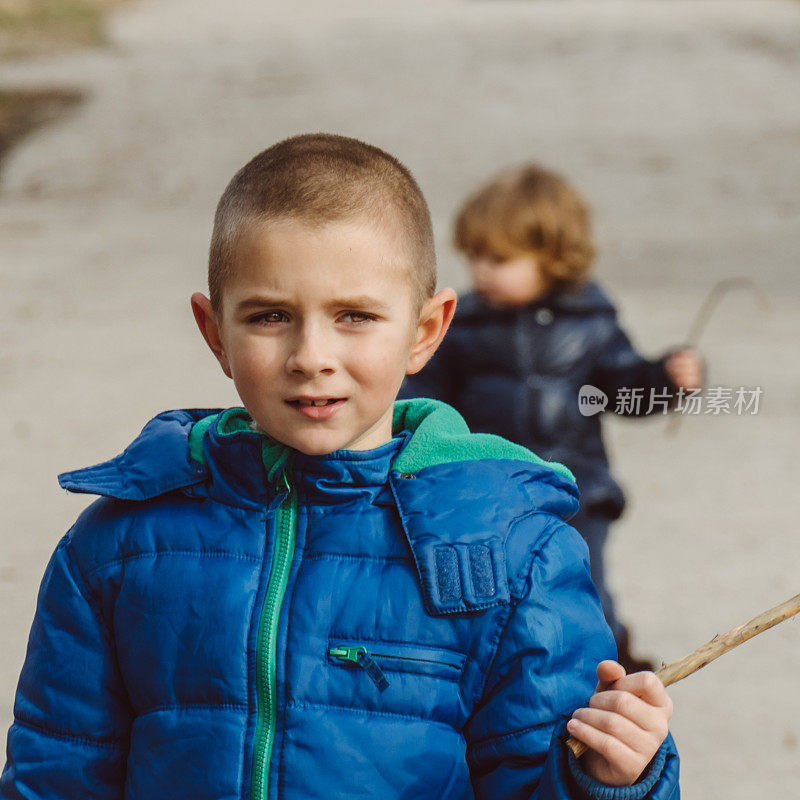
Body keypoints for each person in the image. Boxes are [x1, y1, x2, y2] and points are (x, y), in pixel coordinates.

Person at [0, 134, 680, 799]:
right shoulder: (115, 549)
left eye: (354, 316)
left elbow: (532, 781)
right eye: (270, 316)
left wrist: (609, 782)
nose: (311, 355)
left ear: (425, 332)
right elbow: (54, 774)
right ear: (215, 333)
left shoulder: (511, 553)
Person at [398, 162, 704, 673]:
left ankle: (612, 670)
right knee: (496, 594)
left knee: (583, 589)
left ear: (553, 256)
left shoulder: (591, 322)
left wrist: (664, 379)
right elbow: (426, 394)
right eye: (474, 255)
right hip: (490, 488)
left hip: (576, 490)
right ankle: (505, 678)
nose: (481, 270)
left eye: (499, 258)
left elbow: (622, 388)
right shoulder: (464, 325)